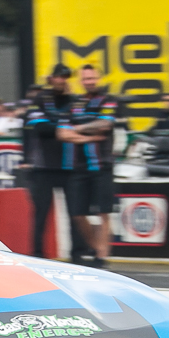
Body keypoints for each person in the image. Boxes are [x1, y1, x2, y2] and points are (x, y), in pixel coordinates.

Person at [57, 64, 117, 266]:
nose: (89, 82)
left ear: (98, 78)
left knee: (103, 212)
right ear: (81, 81)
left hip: (102, 165)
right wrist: (87, 137)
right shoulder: (75, 104)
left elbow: (105, 124)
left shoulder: (107, 101)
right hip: (79, 166)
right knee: (77, 213)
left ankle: (102, 255)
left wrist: (77, 128)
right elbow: (62, 133)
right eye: (85, 79)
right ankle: (94, 246)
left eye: (92, 78)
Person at [24, 64, 83, 259]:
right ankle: (37, 254)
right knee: (41, 214)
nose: (62, 80)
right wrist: (64, 129)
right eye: (58, 77)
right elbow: (38, 127)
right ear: (51, 78)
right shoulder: (40, 98)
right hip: (43, 167)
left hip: (69, 165)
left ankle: (78, 254)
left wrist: (59, 127)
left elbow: (81, 126)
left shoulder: (74, 100)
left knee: (75, 213)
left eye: (65, 77)